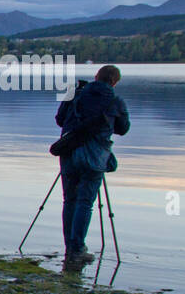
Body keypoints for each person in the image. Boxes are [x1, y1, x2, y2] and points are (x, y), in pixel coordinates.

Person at [55, 64, 130, 270]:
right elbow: (123, 129)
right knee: (85, 202)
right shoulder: (115, 101)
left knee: (69, 200)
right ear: (114, 82)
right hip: (96, 156)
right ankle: (78, 249)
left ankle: (70, 249)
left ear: (96, 77)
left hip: (69, 152)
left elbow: (60, 120)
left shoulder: (74, 93)